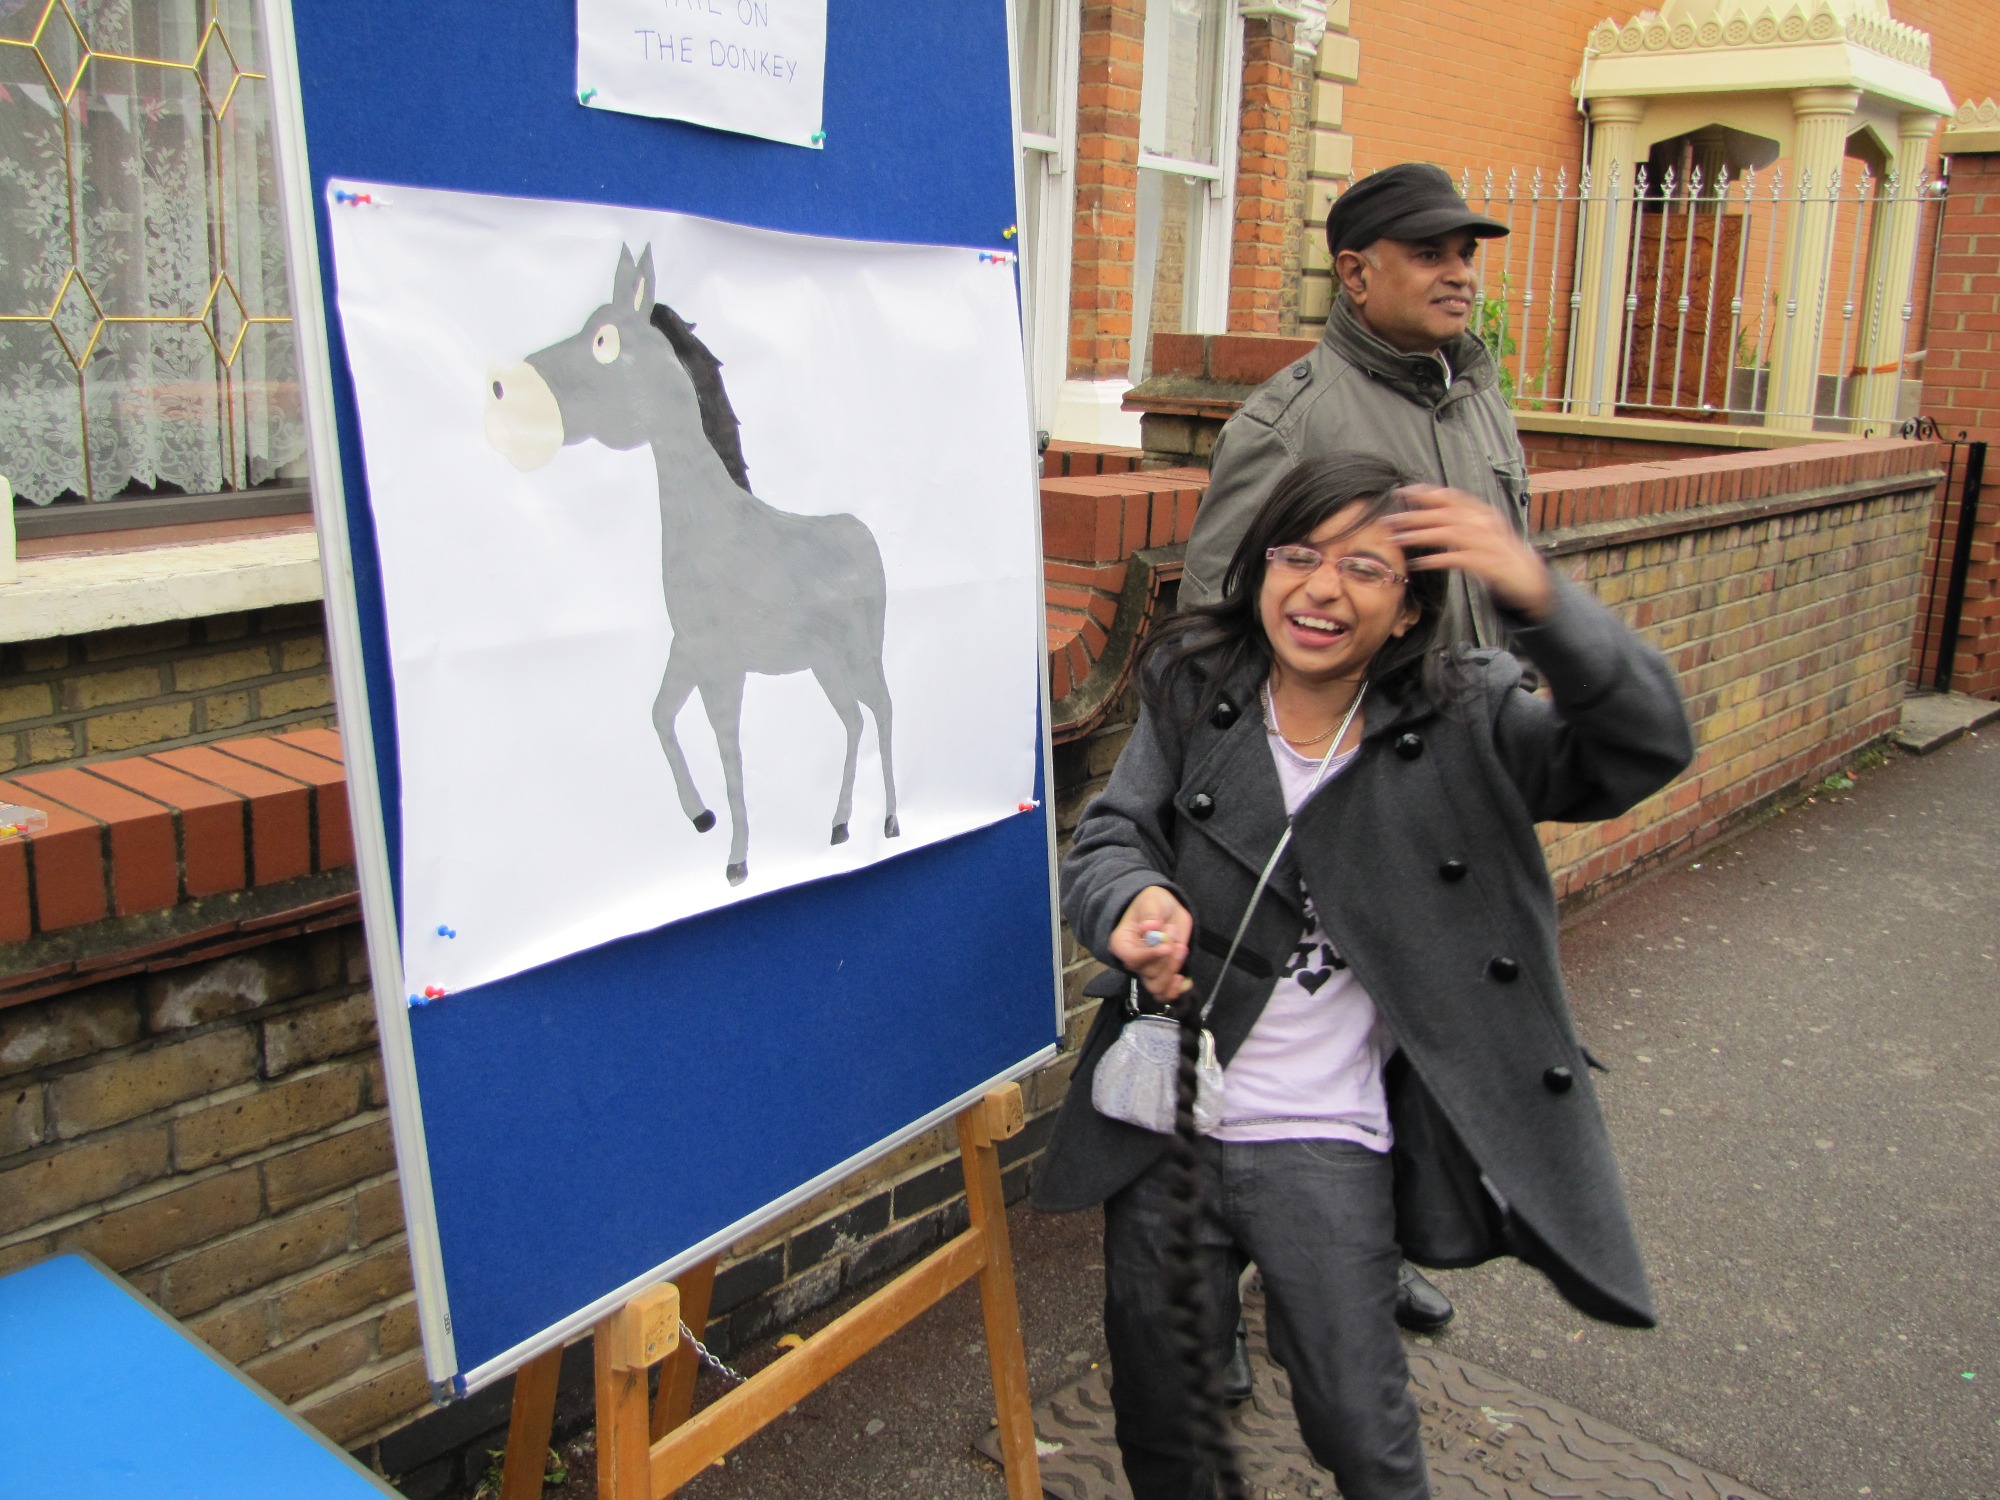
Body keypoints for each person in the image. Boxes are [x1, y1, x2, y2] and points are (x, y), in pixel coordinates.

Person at [1032, 455, 1693, 1500]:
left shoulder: (1467, 719)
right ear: (1258, 568)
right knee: (1162, 1422)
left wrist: (1539, 599)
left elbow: (1644, 744)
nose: (1320, 589)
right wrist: (1128, 904)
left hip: (1325, 1139)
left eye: (1364, 569)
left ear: (1407, 610)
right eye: (1296, 555)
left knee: (1358, 1428)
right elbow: (1109, 838)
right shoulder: (1194, 686)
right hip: (1168, 1125)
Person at [1180, 162, 1526, 653]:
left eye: (1465, 255)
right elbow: (1209, 634)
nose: (1461, 276)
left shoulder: (1480, 400)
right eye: (1430, 255)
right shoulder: (1285, 427)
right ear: (1356, 274)